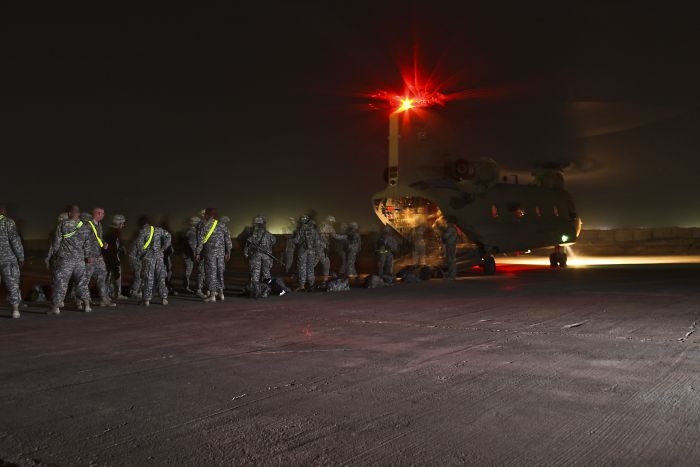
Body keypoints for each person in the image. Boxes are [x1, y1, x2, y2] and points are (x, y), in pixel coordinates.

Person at [48, 205, 92, 315]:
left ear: (69, 213)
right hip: (80, 260)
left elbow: (57, 242)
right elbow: (87, 244)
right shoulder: (85, 227)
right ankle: (86, 305)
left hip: (65, 260)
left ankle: (56, 308)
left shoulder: (63, 224)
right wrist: (87, 256)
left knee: (61, 283)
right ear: (78, 214)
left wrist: (54, 254)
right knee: (82, 283)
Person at [195, 208, 232, 302]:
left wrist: (198, 253)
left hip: (209, 253)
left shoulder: (204, 226)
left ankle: (212, 295)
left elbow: (200, 242)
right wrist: (228, 252)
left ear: (207, 215)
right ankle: (221, 293)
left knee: (211, 273)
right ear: (214, 215)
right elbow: (228, 241)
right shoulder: (223, 225)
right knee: (220, 272)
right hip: (221, 254)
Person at [133, 218, 171, 306]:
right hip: (159, 256)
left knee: (148, 278)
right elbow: (168, 236)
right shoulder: (158, 230)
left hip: (148, 257)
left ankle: (146, 300)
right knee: (161, 277)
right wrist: (163, 248)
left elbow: (139, 244)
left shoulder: (142, 231)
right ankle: (164, 298)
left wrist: (143, 253)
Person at [84, 208, 116, 307]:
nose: (104, 215)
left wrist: (103, 243)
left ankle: (104, 299)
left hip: (98, 257)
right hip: (90, 258)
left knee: (102, 278)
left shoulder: (99, 225)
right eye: (102, 213)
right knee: (85, 280)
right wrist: (87, 256)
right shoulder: (87, 225)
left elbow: (98, 237)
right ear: (98, 214)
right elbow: (84, 241)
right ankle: (83, 301)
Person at [0, 205, 24, 319]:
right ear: (3, 211)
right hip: (7, 259)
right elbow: (15, 240)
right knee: (12, 283)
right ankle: (15, 310)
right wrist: (21, 257)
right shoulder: (8, 222)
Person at [244, 215, 276, 287]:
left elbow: (247, 245)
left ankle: (255, 290)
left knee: (255, 273)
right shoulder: (268, 234)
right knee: (266, 273)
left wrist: (246, 254)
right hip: (266, 256)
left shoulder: (253, 235)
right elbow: (274, 242)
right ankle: (266, 290)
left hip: (255, 255)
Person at [292, 215, 320, 291]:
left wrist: (292, 239)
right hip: (312, 251)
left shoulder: (300, 230)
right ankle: (311, 284)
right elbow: (317, 243)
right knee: (310, 268)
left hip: (302, 251)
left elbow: (296, 241)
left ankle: (302, 286)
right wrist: (317, 253)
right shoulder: (314, 231)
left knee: (302, 268)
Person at [104, 214, 127, 300]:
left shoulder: (110, 231)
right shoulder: (114, 232)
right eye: (122, 223)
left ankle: (110, 294)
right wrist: (115, 260)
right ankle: (114, 294)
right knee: (113, 276)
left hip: (109, 257)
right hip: (111, 258)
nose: (123, 225)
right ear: (119, 223)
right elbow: (112, 248)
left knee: (109, 276)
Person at [181, 216, 200, 293]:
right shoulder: (191, 232)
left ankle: (186, 286)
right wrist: (196, 254)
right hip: (188, 255)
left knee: (188, 270)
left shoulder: (190, 231)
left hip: (188, 254)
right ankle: (186, 287)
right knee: (188, 271)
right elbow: (192, 244)